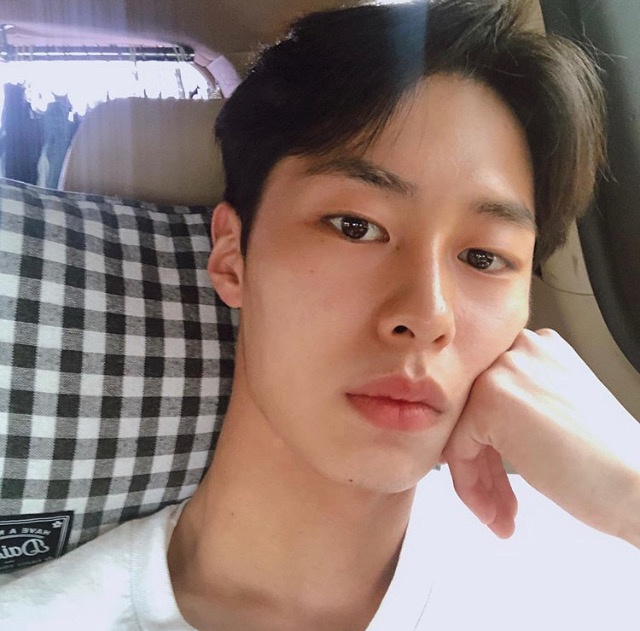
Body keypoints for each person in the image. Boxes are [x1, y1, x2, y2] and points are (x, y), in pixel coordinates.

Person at [2, 1, 640, 629]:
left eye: (483, 257)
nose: (427, 314)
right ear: (232, 257)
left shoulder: (596, 561)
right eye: (355, 226)